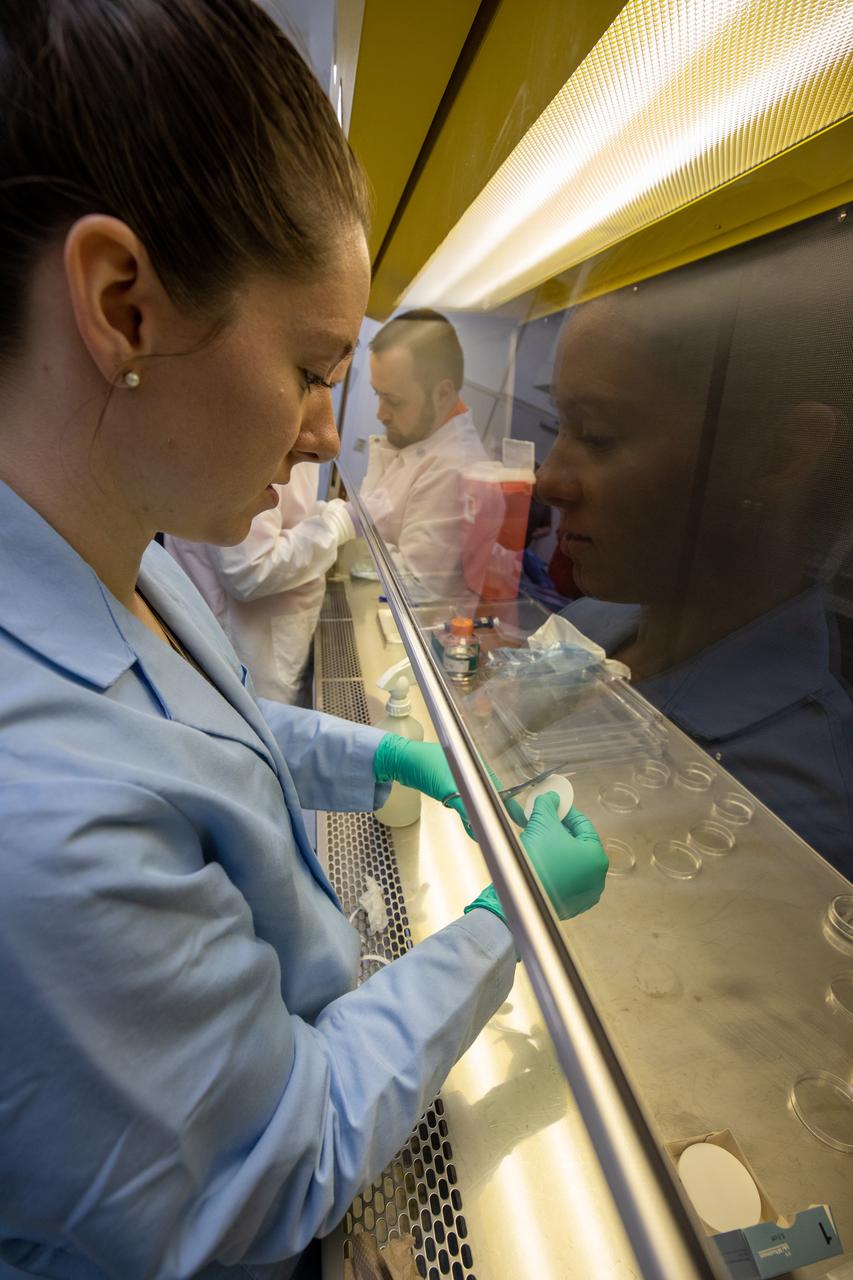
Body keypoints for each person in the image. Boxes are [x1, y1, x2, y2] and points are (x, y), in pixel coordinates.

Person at [0, 4, 608, 1279]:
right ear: (123, 306)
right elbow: (275, 1161)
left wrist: (378, 757)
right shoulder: (36, 816)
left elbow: (192, 726)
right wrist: (509, 921)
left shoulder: (117, 555)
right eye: (312, 366)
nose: (327, 434)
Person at [536, 216, 853, 878]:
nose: (549, 480)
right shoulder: (599, 621)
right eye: (559, 423)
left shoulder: (785, 810)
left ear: (777, 457)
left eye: (594, 433)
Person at [165, 464, 356, 703]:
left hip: (273, 637)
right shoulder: (247, 447)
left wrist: (324, 515)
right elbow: (247, 568)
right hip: (246, 646)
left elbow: (292, 512)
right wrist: (337, 525)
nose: (328, 446)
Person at [358, 309, 503, 600]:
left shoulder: (455, 469)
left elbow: (416, 583)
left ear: (442, 394)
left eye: (393, 400)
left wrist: (343, 535)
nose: (381, 413)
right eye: (378, 394)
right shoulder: (419, 441)